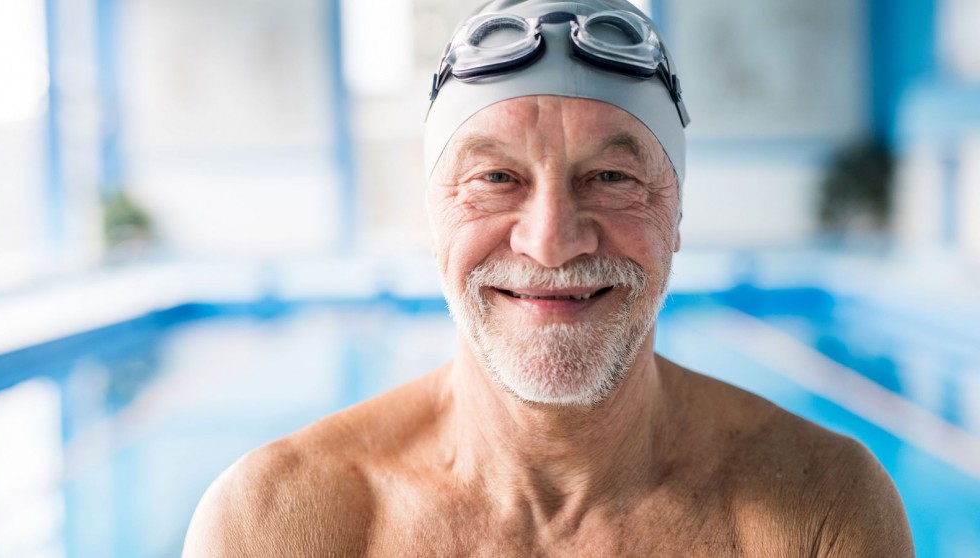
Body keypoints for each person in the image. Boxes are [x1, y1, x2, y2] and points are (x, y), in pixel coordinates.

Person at [182, 0, 914, 555]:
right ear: (433, 215)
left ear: (678, 212)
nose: (552, 241)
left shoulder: (819, 509)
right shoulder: (278, 523)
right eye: (497, 177)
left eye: (611, 177)